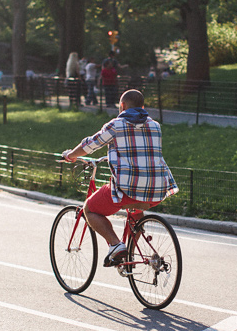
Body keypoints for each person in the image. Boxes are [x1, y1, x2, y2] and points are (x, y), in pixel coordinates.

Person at [62, 89, 179, 267]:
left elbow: (90, 145)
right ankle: (130, 254)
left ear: (122, 106)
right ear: (143, 107)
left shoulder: (116, 125)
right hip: (156, 190)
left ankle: (116, 245)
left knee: (90, 209)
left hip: (127, 190)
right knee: (136, 211)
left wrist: (72, 155)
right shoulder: (155, 126)